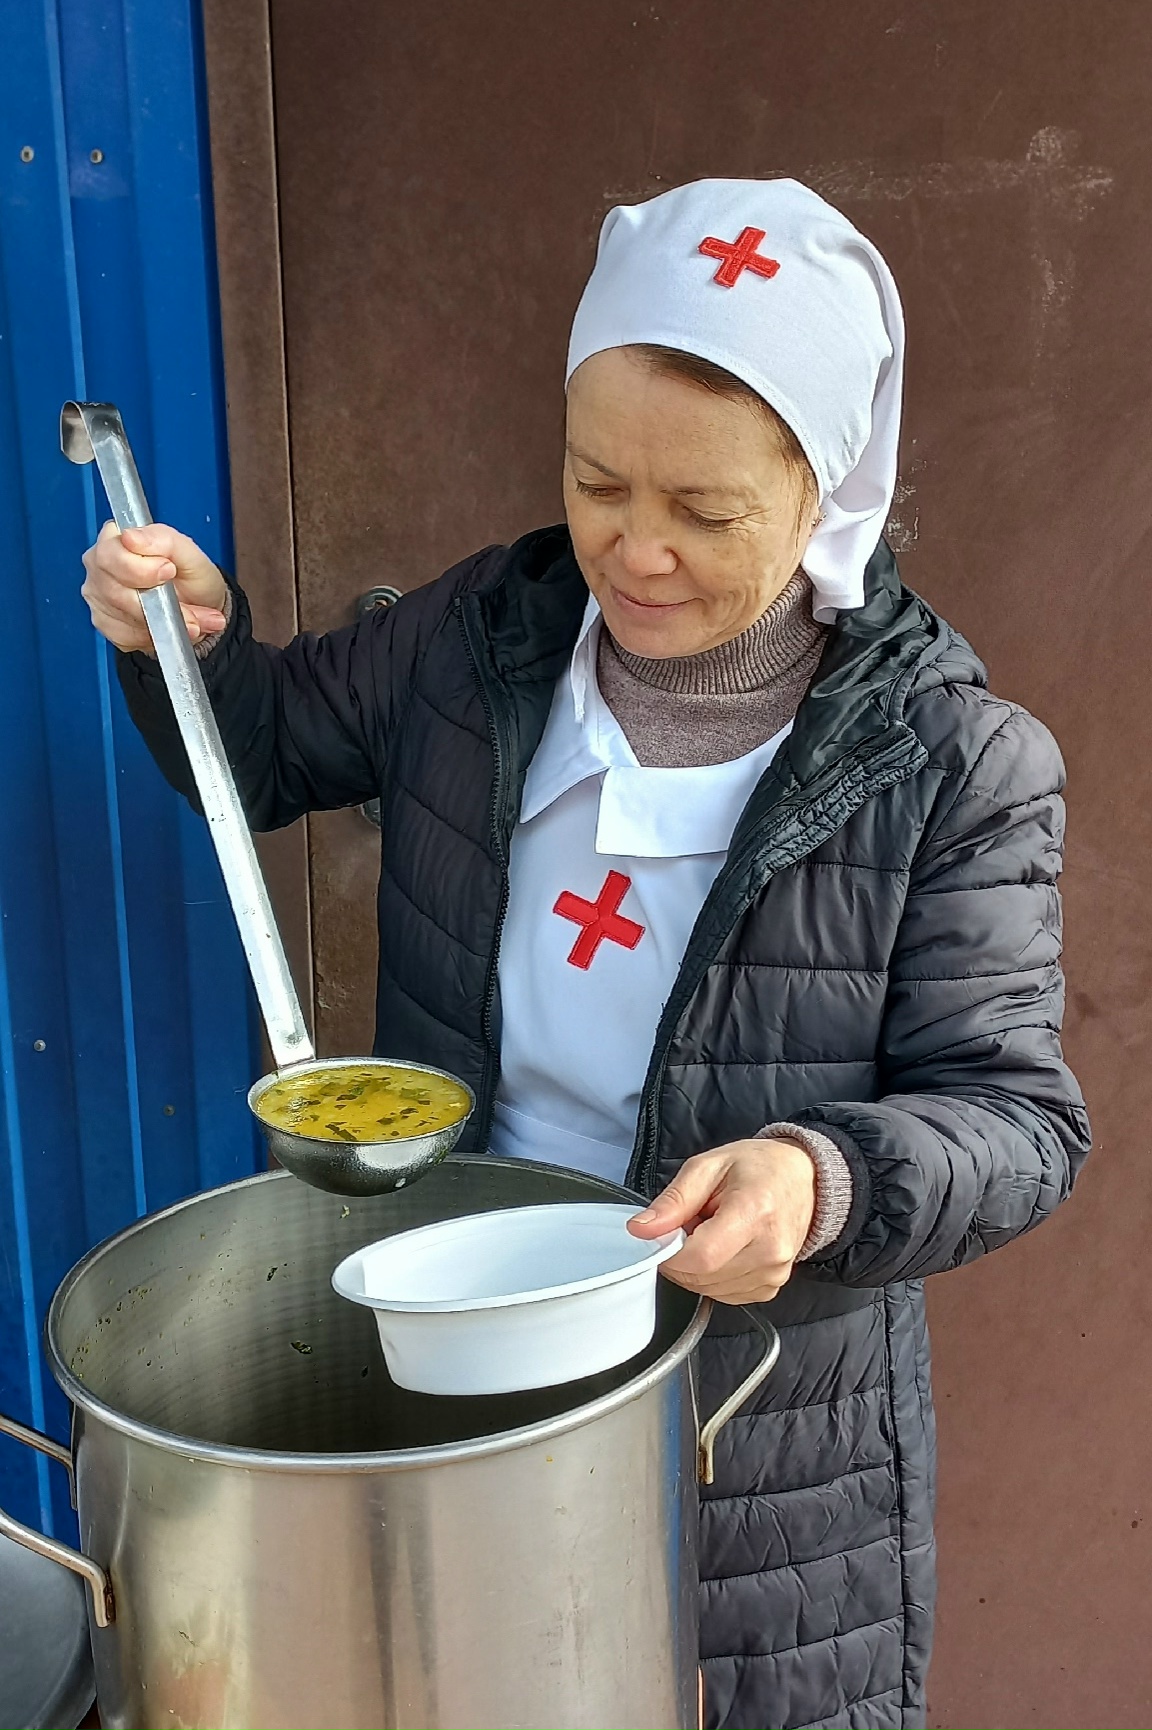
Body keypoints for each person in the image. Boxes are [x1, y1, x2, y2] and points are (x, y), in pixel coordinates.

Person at [82, 178, 1090, 1730]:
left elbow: (1018, 1119)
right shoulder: (481, 634)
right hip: (456, 1332)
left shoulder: (954, 760)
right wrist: (196, 654)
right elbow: (270, 752)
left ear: (829, 492)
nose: (636, 550)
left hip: (760, 1438)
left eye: (707, 511)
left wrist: (821, 1177)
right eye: (597, 481)